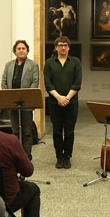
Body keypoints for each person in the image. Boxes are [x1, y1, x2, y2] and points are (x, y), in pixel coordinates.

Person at [43, 35, 82, 169]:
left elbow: (77, 83)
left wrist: (67, 98)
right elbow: (48, 84)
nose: (63, 48)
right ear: (56, 48)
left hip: (71, 103)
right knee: (57, 131)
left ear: (69, 47)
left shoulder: (76, 62)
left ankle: (68, 156)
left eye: (65, 45)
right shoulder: (49, 63)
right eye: (60, 45)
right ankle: (59, 156)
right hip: (55, 103)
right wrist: (59, 98)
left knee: (70, 131)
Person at [1, 39, 40, 160]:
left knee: (27, 132)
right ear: (15, 51)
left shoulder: (33, 65)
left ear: (27, 50)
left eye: (23, 48)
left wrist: (28, 95)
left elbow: (35, 82)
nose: (21, 50)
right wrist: (7, 96)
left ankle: (26, 156)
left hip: (26, 103)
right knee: (15, 131)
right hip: (12, 103)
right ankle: (16, 155)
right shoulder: (8, 65)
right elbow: (3, 81)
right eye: (19, 48)